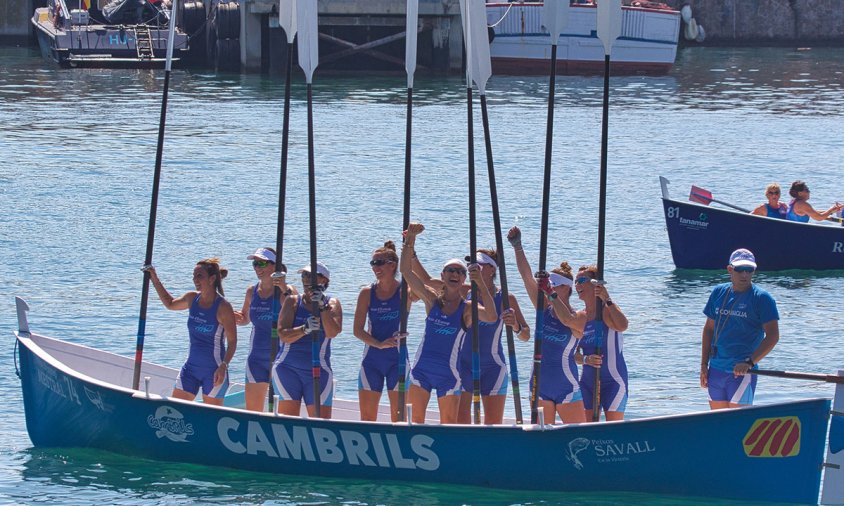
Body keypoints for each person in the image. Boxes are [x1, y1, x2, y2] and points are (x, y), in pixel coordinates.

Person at [399, 223, 499, 424]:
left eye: (460, 272)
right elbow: (406, 272)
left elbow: (491, 316)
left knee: (448, 424)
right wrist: (410, 240)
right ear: (442, 276)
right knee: (414, 421)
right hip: (421, 371)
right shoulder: (431, 300)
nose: (454, 274)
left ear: (464, 279)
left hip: (449, 375)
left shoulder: (467, 309)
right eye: (450, 270)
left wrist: (479, 283)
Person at [508, 226, 586, 425]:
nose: (548, 288)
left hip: (566, 386)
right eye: (547, 284)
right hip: (539, 385)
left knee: (579, 437)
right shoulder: (543, 308)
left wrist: (549, 293)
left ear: (566, 289)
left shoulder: (579, 316)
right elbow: (526, 276)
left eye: (553, 285)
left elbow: (566, 320)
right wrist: (517, 246)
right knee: (542, 439)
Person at [145, 259, 237, 406]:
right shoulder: (191, 298)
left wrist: (224, 365)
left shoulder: (223, 307)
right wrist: (154, 278)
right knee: (175, 411)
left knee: (210, 419)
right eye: (194, 276)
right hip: (190, 370)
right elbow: (170, 304)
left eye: (199, 276)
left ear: (212, 279)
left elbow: (232, 342)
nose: (195, 280)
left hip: (214, 371)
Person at [700, 248, 779, 409]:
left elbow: (773, 336)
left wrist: (749, 362)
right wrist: (703, 365)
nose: (745, 274)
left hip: (742, 372)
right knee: (718, 424)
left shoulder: (762, 298)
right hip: (716, 369)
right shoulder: (718, 292)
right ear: (730, 269)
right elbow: (709, 329)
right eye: (740, 269)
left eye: (749, 270)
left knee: (737, 425)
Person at [274, 261, 343, 419]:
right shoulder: (292, 301)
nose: (306, 279)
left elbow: (332, 332)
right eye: (304, 275)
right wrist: (303, 329)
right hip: (287, 369)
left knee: (321, 425)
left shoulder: (332, 303)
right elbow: (283, 334)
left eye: (310, 276)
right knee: (288, 422)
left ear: (323, 280)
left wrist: (321, 306)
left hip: (318, 370)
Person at [353, 241, 412, 422]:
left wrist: (409, 245)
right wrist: (378, 344)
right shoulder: (366, 293)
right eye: (373, 263)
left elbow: (428, 294)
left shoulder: (405, 292)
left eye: (379, 263)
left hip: (398, 359)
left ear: (392, 265)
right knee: (368, 417)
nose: (375, 268)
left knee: (399, 416)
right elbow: (357, 330)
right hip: (372, 360)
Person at [234, 247, 296, 412]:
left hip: (281, 358)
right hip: (256, 358)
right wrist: (231, 316)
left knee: (282, 412)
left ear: (273, 266)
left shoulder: (287, 290)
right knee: (253, 411)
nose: (257, 268)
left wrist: (283, 287)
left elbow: (297, 309)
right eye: (255, 264)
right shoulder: (251, 291)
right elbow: (245, 318)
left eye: (261, 263)